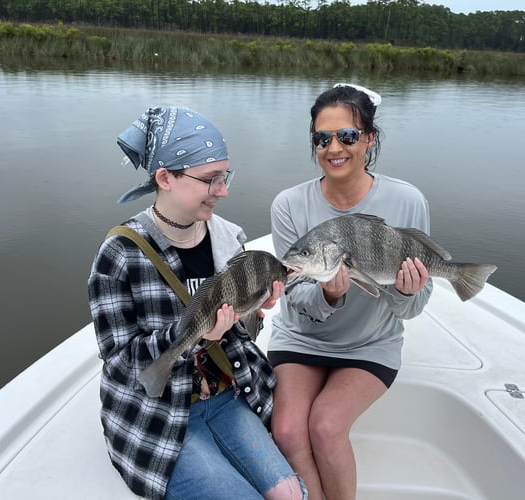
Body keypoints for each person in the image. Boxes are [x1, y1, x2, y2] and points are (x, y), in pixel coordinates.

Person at [88, 106, 306, 500]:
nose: (223, 190)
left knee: (291, 494)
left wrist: (256, 310)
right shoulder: (119, 254)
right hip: (158, 413)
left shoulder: (228, 239)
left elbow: (240, 330)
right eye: (210, 180)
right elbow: (120, 362)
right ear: (165, 178)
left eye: (225, 177)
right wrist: (191, 334)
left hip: (227, 393)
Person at [268, 84, 433, 500]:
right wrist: (327, 296)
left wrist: (405, 291)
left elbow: (413, 307)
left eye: (348, 136)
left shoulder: (407, 200)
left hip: (369, 343)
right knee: (287, 430)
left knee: (325, 425)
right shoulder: (288, 205)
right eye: (322, 139)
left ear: (369, 138)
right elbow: (294, 291)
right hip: (301, 338)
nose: (333, 148)